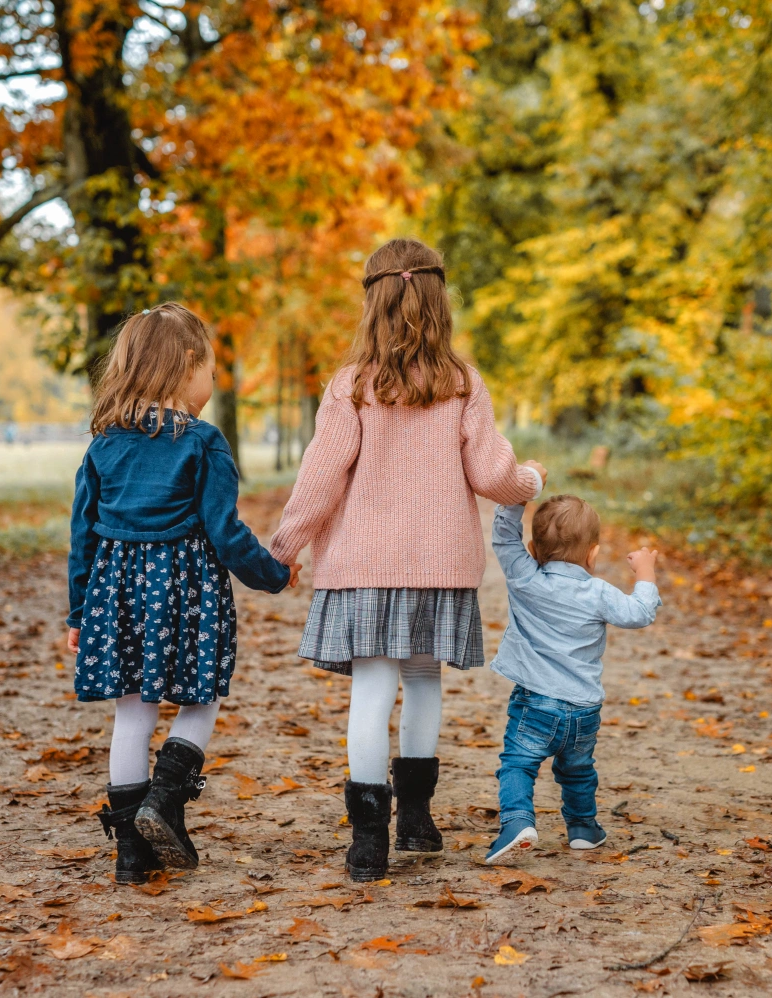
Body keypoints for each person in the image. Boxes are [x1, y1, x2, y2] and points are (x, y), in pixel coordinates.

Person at [268, 237, 546, 882]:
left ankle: (368, 843)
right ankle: (416, 820)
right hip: (438, 565)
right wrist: (528, 479)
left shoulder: (350, 387)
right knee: (422, 680)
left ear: (372, 305)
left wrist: (284, 549)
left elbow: (320, 477)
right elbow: (492, 474)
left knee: (372, 690)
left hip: (362, 565)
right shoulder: (461, 384)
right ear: (439, 302)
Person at [65, 303, 296, 884]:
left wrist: (78, 611)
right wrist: (272, 572)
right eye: (212, 371)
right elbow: (224, 530)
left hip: (116, 593)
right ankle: (164, 803)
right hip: (186, 592)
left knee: (131, 715)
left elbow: (82, 535)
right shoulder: (204, 443)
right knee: (201, 697)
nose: (214, 384)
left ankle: (129, 855)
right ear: (187, 364)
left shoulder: (103, 446)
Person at [484, 494, 661, 864]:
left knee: (518, 763)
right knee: (578, 770)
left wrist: (518, 494)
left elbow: (502, 536)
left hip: (535, 704)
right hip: (583, 709)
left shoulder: (524, 577)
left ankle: (517, 822)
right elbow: (641, 612)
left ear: (533, 549)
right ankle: (582, 829)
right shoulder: (597, 592)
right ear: (592, 555)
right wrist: (645, 574)